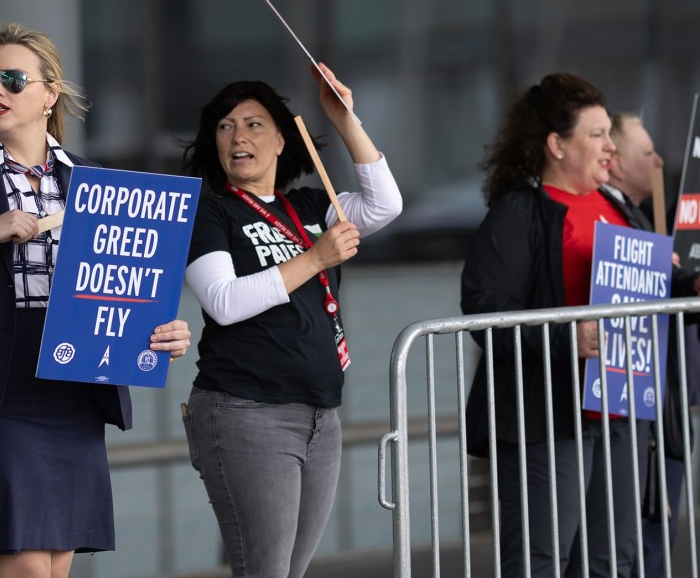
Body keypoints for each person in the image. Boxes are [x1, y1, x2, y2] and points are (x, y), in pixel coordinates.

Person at [0, 22, 191, 578]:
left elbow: (124, 289)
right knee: (23, 567)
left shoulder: (93, 180)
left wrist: (160, 329)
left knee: (53, 568)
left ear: (50, 94)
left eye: (13, 79)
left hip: (72, 389)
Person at [461, 74, 700, 577]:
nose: (611, 145)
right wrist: (568, 338)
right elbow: (485, 313)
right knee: (542, 559)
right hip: (548, 418)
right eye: (596, 135)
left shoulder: (618, 206)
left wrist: (688, 286)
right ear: (556, 144)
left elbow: (656, 280)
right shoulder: (518, 213)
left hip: (622, 411)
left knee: (614, 559)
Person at [179, 67, 402, 577]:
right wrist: (315, 260)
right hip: (246, 410)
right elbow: (223, 301)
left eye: (254, 124)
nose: (238, 137)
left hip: (320, 413)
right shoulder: (211, 214)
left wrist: (344, 118)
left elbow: (385, 204)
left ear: (283, 138)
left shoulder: (307, 205)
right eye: (225, 127)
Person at [609, 112, 699, 574]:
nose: (660, 161)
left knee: (653, 541)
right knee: (636, 546)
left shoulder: (640, 220)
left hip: (662, 409)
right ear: (617, 162)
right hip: (640, 413)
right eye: (647, 153)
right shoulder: (618, 223)